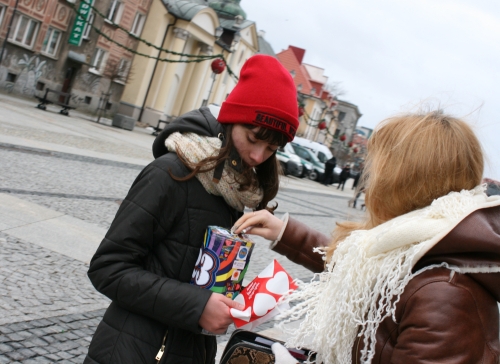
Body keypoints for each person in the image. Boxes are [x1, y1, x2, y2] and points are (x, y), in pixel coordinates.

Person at [232, 111, 500, 364]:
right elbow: (358, 267)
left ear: (401, 181)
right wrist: (284, 232)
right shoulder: (424, 242)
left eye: (376, 169)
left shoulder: (445, 296)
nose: (369, 179)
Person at [83, 55, 300, 364]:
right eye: (253, 138)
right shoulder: (169, 173)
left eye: (271, 149)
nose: (257, 155)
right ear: (230, 119)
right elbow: (107, 268)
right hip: (133, 352)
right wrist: (198, 306)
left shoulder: (237, 191)